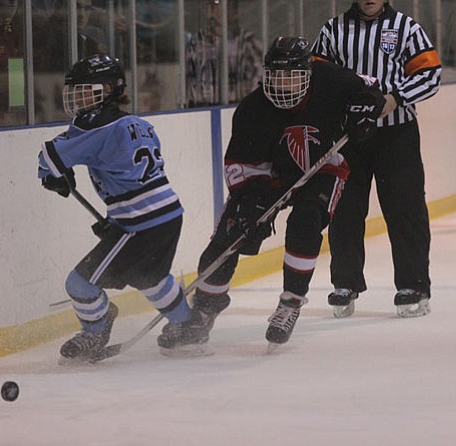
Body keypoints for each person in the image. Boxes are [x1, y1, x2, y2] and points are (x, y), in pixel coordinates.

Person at [185, 36, 385, 346]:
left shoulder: (330, 78)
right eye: (276, 76)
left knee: (305, 222)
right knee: (231, 234)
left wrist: (365, 110)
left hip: (323, 167)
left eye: (292, 76)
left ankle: (291, 302)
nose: (283, 84)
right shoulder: (252, 109)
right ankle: (203, 311)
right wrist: (250, 201)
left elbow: (371, 87)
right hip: (271, 175)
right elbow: (241, 162)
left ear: (309, 72)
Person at [37, 54, 209, 362]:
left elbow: (48, 157)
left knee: (79, 283)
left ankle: (96, 331)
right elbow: (129, 177)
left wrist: (54, 176)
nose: (78, 98)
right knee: (149, 276)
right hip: (168, 213)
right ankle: (188, 326)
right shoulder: (139, 124)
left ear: (108, 89)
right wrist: (115, 219)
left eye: (85, 90)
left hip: (140, 222)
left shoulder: (94, 125)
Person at [312, 0, 442, 318]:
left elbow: (431, 74)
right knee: (344, 211)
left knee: (405, 209)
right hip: (349, 137)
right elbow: (315, 74)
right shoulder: (333, 30)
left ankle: (414, 285)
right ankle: (346, 282)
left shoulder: (407, 29)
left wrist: (395, 98)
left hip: (397, 137)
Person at [185, 0, 262, 106]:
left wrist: (250, 105)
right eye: (216, 5)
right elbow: (189, 77)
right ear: (209, 10)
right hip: (202, 109)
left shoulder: (247, 41)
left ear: (235, 11)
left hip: (238, 106)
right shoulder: (197, 41)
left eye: (228, 5)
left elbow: (259, 76)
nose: (221, 9)